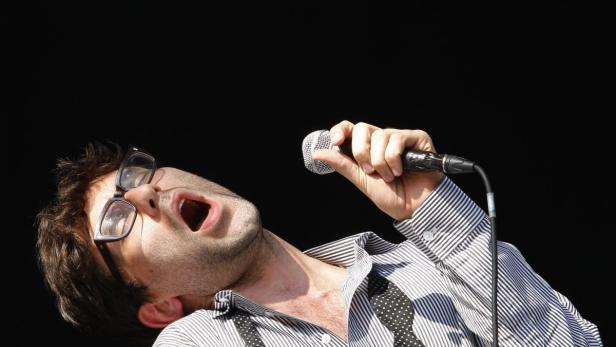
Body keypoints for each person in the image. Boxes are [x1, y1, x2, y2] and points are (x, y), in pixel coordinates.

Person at [36, 121, 602, 346]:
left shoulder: (425, 266)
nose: (143, 193)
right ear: (158, 307)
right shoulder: (198, 343)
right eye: (118, 220)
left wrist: (435, 211)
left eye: (136, 176)